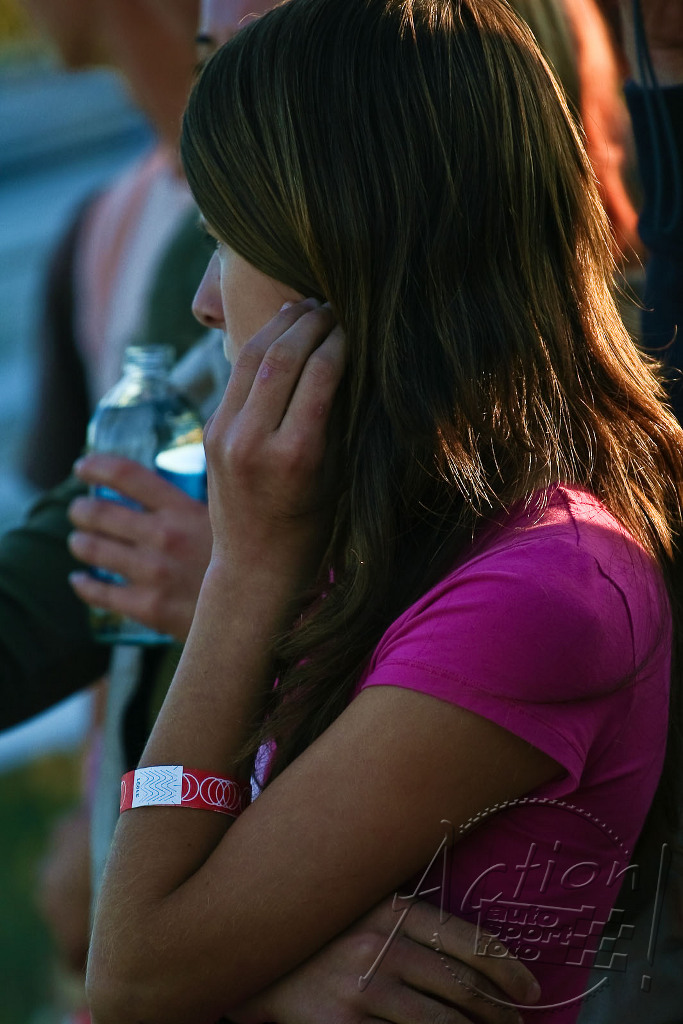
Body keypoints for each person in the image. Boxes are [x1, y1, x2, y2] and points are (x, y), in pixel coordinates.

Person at [80, 1, 683, 1022]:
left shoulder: (541, 589)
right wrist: (271, 981)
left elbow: (134, 973)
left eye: (227, 240)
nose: (205, 301)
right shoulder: (394, 530)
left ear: (342, 250)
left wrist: (240, 572)